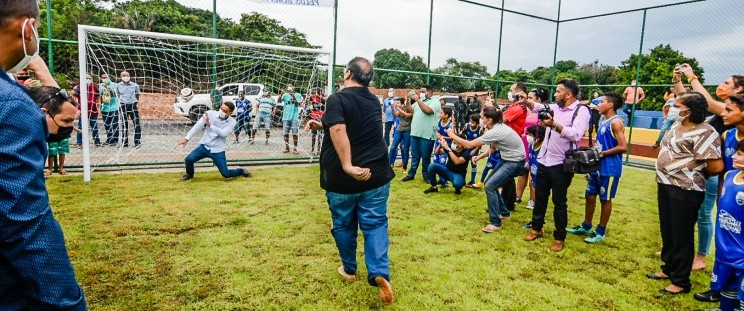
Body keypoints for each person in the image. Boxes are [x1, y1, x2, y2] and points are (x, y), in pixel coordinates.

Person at [2, 7, 89, 304]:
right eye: (38, 29)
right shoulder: (13, 105)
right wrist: (67, 301)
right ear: (28, 29)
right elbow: (24, 224)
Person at [305, 57, 395, 305]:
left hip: (342, 178)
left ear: (347, 74)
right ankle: (379, 273)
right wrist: (320, 124)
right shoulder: (373, 100)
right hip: (376, 174)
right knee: (375, 223)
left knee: (344, 224)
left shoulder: (337, 98)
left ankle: (349, 269)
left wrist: (348, 165)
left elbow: (339, 129)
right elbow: (348, 123)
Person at [673, 67, 744, 302]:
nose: (725, 113)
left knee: (730, 234)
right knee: (723, 229)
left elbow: (704, 100)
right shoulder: (728, 134)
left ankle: (706, 261)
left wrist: (692, 77)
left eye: (727, 82)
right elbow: (692, 102)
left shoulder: (725, 112)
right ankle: (719, 287)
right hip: (729, 189)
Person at [647, 92, 723, 295]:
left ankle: (681, 281)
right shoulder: (675, 125)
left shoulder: (705, 132)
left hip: (686, 189)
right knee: (668, 230)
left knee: (682, 234)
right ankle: (668, 268)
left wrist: (690, 174)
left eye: (677, 105)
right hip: (665, 184)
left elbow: (715, 166)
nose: (672, 107)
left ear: (689, 110)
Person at [520, 78, 591, 252]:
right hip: (544, 159)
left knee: (559, 201)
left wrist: (554, 125)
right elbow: (537, 107)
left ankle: (559, 237)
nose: (556, 94)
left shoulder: (581, 111)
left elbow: (575, 134)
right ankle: (536, 228)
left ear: (568, 94)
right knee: (540, 197)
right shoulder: (555, 107)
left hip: (562, 164)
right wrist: (526, 101)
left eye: (559, 91)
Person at [447, 106, 525, 233]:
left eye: (482, 118)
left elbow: (469, 144)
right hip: (508, 160)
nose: (481, 120)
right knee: (490, 184)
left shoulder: (496, 131)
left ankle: (496, 223)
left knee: (490, 186)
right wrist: (481, 156)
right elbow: (492, 148)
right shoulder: (496, 128)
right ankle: (504, 213)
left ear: (489, 120)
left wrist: (451, 135)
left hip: (515, 162)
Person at [566, 92, 627, 244]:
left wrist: (601, 154)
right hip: (597, 167)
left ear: (610, 105)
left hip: (610, 169)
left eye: (602, 102)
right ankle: (586, 226)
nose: (599, 105)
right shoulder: (603, 121)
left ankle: (600, 231)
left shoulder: (616, 122)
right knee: (590, 196)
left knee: (605, 199)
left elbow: (623, 147)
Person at [709, 140, 744, 311]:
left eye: (740, 154)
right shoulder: (729, 175)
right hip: (724, 248)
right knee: (727, 286)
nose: (733, 156)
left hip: (742, 253)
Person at [176, 101, 252, 180]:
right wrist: (186, 138)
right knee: (189, 159)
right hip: (205, 147)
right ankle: (189, 174)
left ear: (230, 113)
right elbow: (198, 126)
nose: (221, 112)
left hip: (218, 150)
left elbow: (223, 133)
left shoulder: (232, 122)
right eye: (221, 109)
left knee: (226, 174)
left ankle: (241, 171)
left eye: (225, 111)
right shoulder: (210, 114)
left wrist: (210, 125)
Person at [402, 84, 442, 183]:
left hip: (427, 134)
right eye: (420, 91)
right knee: (415, 155)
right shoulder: (420, 102)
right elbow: (409, 110)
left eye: (423, 91)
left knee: (425, 156)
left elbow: (427, 110)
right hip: (415, 133)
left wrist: (417, 100)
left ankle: (426, 175)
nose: (421, 93)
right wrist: (408, 100)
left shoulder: (435, 101)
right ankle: (411, 174)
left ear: (430, 92)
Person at [516, 88, 549, 205]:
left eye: (530, 98)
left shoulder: (543, 113)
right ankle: (518, 197)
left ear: (538, 99)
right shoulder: (528, 111)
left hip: (537, 145)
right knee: (522, 171)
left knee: (533, 172)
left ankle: (532, 199)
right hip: (525, 144)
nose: (527, 100)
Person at [502, 82, 529, 211]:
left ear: (518, 93)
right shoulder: (514, 106)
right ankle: (509, 202)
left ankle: (506, 204)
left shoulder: (518, 108)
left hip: (512, 143)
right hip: (508, 142)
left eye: (511, 90)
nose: (510, 92)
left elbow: (501, 120)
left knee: (506, 174)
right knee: (508, 176)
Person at [73, 74, 100, 147]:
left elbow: (98, 98)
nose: (88, 79)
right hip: (82, 111)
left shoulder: (95, 87)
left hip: (93, 110)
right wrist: (77, 110)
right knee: (81, 126)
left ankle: (97, 142)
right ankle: (79, 142)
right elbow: (75, 99)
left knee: (94, 126)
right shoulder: (77, 87)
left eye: (89, 78)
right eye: (86, 78)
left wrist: (98, 108)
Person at [116, 70, 142, 147]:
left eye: (127, 75)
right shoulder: (118, 86)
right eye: (124, 75)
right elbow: (117, 95)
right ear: (120, 77)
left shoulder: (135, 85)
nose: (126, 77)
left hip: (132, 105)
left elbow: (137, 94)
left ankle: (137, 142)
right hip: (123, 105)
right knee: (124, 124)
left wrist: (135, 102)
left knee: (136, 124)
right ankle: (125, 142)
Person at [388, 97, 412, 173]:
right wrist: (392, 108)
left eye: (398, 103)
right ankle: (390, 164)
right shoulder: (400, 109)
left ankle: (405, 167)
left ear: (402, 103)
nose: (397, 104)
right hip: (399, 130)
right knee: (392, 148)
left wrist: (398, 108)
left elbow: (406, 114)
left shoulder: (409, 109)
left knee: (405, 149)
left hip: (407, 131)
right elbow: (395, 115)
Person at [433, 107, 454, 185]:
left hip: (445, 146)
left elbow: (452, 137)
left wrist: (442, 136)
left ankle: (444, 180)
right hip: (438, 144)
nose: (440, 114)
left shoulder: (450, 124)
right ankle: (440, 179)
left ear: (446, 115)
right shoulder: (439, 121)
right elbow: (437, 132)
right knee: (436, 162)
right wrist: (437, 134)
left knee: (442, 162)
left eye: (441, 113)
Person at [462, 114, 483, 188]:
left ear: (477, 123)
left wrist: (475, 150)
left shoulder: (480, 129)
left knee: (473, 164)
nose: (471, 124)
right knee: (464, 164)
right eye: (470, 121)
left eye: (473, 122)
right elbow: (461, 134)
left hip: (475, 149)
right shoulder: (467, 125)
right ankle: (462, 180)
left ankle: (472, 181)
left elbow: (481, 142)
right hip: (466, 148)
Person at [281, 83, 302, 154]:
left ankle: (295, 149)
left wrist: (292, 94)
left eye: (291, 86)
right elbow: (279, 101)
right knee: (285, 133)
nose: (289, 87)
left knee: (295, 133)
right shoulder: (285, 95)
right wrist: (281, 93)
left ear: (294, 87)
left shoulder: (298, 95)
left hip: (294, 116)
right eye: (288, 86)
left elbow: (297, 104)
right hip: (286, 116)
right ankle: (287, 148)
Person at [99, 72, 119, 145]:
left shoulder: (115, 84)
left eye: (106, 77)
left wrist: (107, 87)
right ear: (101, 79)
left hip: (114, 107)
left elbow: (115, 94)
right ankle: (109, 139)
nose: (105, 79)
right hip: (105, 108)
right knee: (107, 125)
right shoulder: (100, 86)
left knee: (114, 124)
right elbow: (100, 96)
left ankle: (115, 140)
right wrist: (99, 108)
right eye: (103, 78)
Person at [309, 89, 325, 155]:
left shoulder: (324, 98)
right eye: (322, 91)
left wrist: (319, 96)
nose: (323, 92)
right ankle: (312, 150)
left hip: (321, 118)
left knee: (320, 135)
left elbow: (324, 101)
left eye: (323, 91)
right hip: (314, 117)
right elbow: (308, 103)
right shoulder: (312, 97)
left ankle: (319, 149)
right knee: (314, 134)